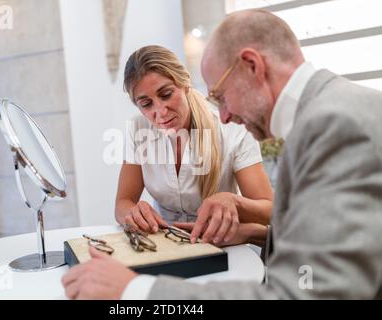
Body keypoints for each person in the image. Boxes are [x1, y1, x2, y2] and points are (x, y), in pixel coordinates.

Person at [62, 9, 382, 299]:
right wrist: (253, 234)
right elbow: (321, 246)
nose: (225, 115)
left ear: (252, 65)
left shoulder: (335, 127)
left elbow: (311, 292)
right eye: (146, 104)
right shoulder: (326, 117)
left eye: (221, 95)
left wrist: (136, 290)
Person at [116, 45, 272, 246]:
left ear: (185, 85)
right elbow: (122, 202)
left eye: (166, 94)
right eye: (146, 104)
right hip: (166, 246)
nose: (161, 112)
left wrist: (234, 202)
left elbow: (270, 211)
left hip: (223, 246)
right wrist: (133, 212)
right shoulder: (138, 129)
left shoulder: (230, 125)